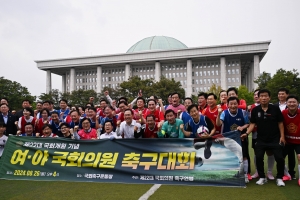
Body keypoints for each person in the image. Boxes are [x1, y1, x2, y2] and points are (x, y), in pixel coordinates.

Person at [245, 89, 286, 186]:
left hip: (275, 138)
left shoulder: (275, 109)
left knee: (279, 158)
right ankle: (262, 177)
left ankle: (280, 178)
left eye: (266, 96)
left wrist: (282, 136)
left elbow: (280, 123)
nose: (263, 98)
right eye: (261, 96)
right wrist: (246, 133)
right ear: (258, 98)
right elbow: (252, 124)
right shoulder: (255, 110)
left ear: (269, 97)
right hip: (261, 139)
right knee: (258, 157)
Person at [216, 96, 250, 183]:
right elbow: (219, 124)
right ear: (228, 105)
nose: (233, 106)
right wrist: (219, 114)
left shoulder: (243, 112)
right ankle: (230, 174)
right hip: (228, 140)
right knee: (229, 157)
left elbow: (248, 124)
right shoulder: (224, 113)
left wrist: (242, 127)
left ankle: (245, 174)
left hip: (241, 138)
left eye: (235, 104)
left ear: (238, 104)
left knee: (244, 156)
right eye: (231, 104)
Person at [249, 89, 275, 180]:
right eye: (255, 95)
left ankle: (269, 172)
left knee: (270, 152)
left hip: (269, 135)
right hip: (256, 134)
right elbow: (251, 122)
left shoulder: (271, 107)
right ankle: (258, 171)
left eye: (258, 94)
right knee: (257, 153)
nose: (256, 96)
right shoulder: (252, 108)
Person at [275, 88, 295, 180]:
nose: (281, 96)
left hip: (291, 132)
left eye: (283, 94)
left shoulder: (292, 105)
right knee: (280, 154)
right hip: (278, 133)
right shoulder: (275, 106)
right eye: (279, 94)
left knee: (291, 154)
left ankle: (291, 172)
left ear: (287, 95)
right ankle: (284, 172)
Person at [282, 95, 300, 185]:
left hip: (299, 141)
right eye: (290, 102)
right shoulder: (283, 113)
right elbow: (280, 126)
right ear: (286, 103)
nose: (292, 104)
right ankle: (288, 174)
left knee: (299, 157)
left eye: (294, 102)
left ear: (298, 103)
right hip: (287, 140)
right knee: (280, 157)